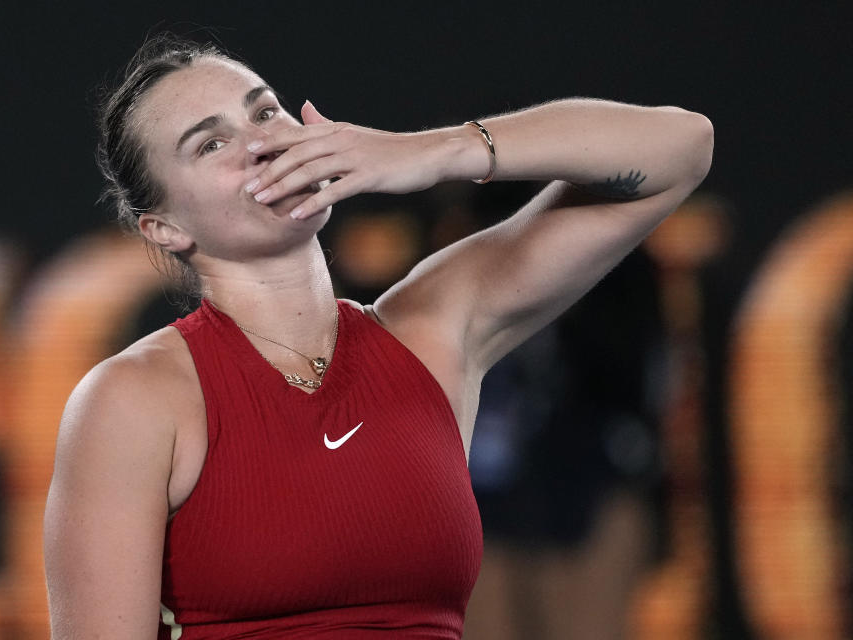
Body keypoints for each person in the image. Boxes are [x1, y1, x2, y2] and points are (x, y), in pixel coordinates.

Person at [43, 35, 713, 640]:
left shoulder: (430, 330)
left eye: (264, 111)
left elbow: (681, 149)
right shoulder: (134, 398)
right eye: (210, 143)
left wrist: (432, 151)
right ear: (163, 227)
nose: (259, 142)